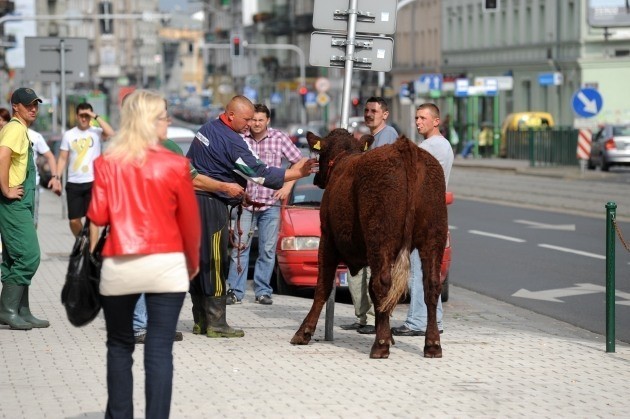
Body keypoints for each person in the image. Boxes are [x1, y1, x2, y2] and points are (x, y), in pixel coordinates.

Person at [87, 89, 201, 418]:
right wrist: (192, 264)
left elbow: (97, 215)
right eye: (164, 116)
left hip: (120, 262)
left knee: (119, 347)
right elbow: (190, 224)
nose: (168, 121)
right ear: (150, 121)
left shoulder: (107, 162)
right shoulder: (176, 165)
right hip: (167, 264)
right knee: (159, 349)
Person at [186, 95, 314, 338]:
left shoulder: (208, 128)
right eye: (245, 119)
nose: (248, 124)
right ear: (231, 115)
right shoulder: (232, 141)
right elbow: (259, 173)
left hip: (194, 201)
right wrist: (295, 172)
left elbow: (192, 167)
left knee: (200, 260)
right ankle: (216, 323)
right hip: (211, 205)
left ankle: (200, 320)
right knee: (215, 262)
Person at [133, 134, 245, 343]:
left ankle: (150, 325)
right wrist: (225, 187)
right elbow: (191, 180)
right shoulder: (167, 146)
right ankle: (143, 327)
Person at [226, 104, 303, 306]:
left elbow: (299, 162)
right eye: (253, 120)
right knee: (240, 248)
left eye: (261, 120)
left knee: (267, 250)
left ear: (267, 120)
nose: (256, 124)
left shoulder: (279, 138)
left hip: (270, 204)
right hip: (246, 203)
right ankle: (234, 291)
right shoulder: (241, 139)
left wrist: (287, 187)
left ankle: (263, 291)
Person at [391, 103, 454, 337]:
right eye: (416, 117)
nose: (418, 122)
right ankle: (434, 320)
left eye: (423, 118)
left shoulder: (430, 146)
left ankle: (418, 322)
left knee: (419, 270)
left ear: (436, 121)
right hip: (434, 213)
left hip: (423, 214)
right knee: (429, 271)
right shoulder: (443, 145)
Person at [340, 96, 399, 335]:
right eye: (366, 110)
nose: (369, 114)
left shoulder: (389, 136)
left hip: (379, 211)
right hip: (361, 209)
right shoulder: (366, 138)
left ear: (384, 114)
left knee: (377, 266)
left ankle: (377, 318)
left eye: (374, 110)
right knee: (357, 267)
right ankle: (362, 316)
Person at [0, 88, 49, 330]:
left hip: (22, 201)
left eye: (36, 105)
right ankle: (7, 309)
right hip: (13, 202)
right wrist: (7, 189)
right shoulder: (15, 128)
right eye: (28, 104)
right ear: (15, 106)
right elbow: (2, 156)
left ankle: (22, 309)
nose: (33, 108)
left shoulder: (22, 130)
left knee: (14, 256)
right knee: (29, 255)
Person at [53, 103, 115, 246]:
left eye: (87, 116)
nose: (84, 119)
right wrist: (56, 177)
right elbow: (62, 158)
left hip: (93, 181)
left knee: (93, 219)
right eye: (81, 115)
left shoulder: (97, 132)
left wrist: (95, 116)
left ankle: (91, 251)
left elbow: (111, 133)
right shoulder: (69, 135)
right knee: (74, 220)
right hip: (74, 182)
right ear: (76, 116)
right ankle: (82, 240)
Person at [29, 128, 58, 228]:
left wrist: (54, 178)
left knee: (33, 221)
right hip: (11, 185)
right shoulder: (7, 134)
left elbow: (50, 157)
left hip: (33, 185)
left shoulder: (35, 136)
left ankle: (31, 242)